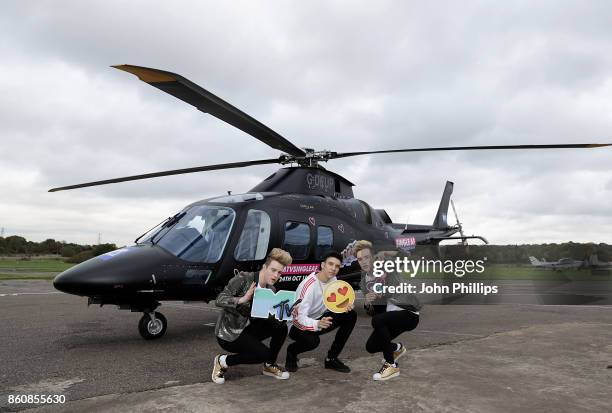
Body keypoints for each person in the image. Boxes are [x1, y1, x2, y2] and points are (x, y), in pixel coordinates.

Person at [211, 248, 293, 384]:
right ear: (264, 267)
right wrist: (242, 299)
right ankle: (223, 361)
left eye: (279, 272)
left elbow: (271, 318)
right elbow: (219, 299)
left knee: (281, 327)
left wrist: (288, 312)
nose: (276, 275)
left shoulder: (271, 290)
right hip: (230, 334)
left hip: (249, 330)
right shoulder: (244, 278)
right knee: (263, 353)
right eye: (273, 270)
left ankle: (269, 366)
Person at [354, 240, 421, 381]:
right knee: (371, 346)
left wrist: (386, 252)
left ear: (373, 256)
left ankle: (391, 365)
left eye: (367, 257)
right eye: (360, 259)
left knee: (378, 321)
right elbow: (374, 312)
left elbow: (405, 255)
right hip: (390, 316)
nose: (364, 262)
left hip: (408, 312)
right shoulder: (364, 281)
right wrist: (367, 302)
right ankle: (397, 348)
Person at [285, 251, 357, 373]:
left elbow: (334, 302)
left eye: (337, 266)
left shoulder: (333, 279)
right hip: (296, 325)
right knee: (312, 341)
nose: (333, 268)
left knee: (350, 315)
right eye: (330, 264)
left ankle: (331, 358)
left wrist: (346, 305)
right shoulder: (308, 286)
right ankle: (292, 351)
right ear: (323, 265)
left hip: (320, 318)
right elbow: (298, 318)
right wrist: (317, 324)